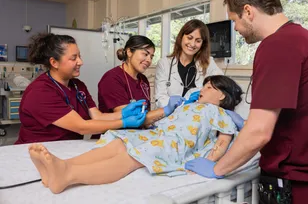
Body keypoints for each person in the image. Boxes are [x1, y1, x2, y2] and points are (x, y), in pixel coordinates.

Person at [185, 0, 308, 204]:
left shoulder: (277, 45)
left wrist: (217, 168)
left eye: (234, 20)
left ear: (248, 11)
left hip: (304, 187)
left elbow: (259, 132)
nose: (235, 28)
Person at [27, 75, 243, 194]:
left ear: (222, 95)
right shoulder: (189, 105)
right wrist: (173, 108)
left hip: (175, 146)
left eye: (209, 86)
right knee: (119, 142)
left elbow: (223, 141)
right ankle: (62, 165)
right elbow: (166, 120)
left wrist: (212, 162)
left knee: (131, 156)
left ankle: (68, 176)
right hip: (158, 134)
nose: (202, 88)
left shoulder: (220, 112)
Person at [15, 34, 180, 144]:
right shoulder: (41, 91)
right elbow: (82, 126)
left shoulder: (77, 86)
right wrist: (123, 121)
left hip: (68, 149)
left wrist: (123, 113)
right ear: (54, 62)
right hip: (36, 150)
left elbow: (97, 116)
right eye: (74, 58)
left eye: (80, 56)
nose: (80, 62)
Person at [155, 19, 223, 108]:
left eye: (198, 41)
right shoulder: (164, 64)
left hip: (195, 115)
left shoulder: (208, 63)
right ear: (181, 37)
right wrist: (183, 105)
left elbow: (223, 85)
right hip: (168, 116)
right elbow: (160, 98)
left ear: (203, 44)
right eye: (189, 38)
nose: (192, 44)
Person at [98, 35, 155, 113]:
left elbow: (147, 111)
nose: (149, 60)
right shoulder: (111, 78)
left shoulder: (143, 80)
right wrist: (163, 111)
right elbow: (126, 116)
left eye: (151, 57)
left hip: (142, 125)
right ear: (129, 52)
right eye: (145, 54)